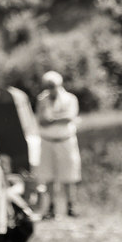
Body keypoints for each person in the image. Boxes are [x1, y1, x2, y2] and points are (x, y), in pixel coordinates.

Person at [36, 70, 82, 218]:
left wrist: (52, 119)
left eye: (52, 85)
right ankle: (50, 208)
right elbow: (41, 120)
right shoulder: (42, 99)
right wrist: (55, 119)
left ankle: (70, 206)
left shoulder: (70, 98)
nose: (50, 88)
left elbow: (69, 117)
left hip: (65, 140)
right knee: (48, 176)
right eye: (48, 85)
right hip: (48, 141)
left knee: (69, 175)